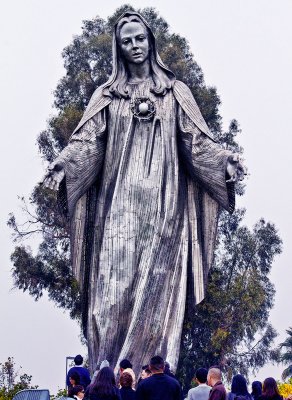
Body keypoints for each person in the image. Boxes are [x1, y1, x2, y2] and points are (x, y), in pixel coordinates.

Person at [43, 11, 246, 374]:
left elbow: (196, 143)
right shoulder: (107, 97)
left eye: (140, 38)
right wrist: (64, 165)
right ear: (117, 49)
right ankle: (106, 379)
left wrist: (225, 161)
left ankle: (153, 379)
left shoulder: (174, 92)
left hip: (163, 212)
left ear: (151, 41)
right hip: (116, 211)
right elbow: (87, 144)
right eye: (127, 41)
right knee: (106, 301)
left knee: (157, 299)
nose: (135, 46)